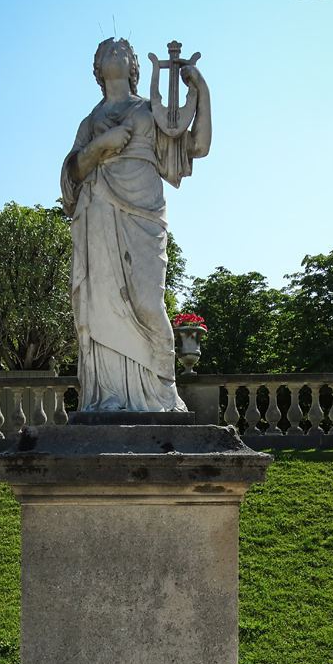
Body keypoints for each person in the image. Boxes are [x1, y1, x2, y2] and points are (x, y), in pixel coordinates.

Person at [61, 38, 211, 412]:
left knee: (147, 302)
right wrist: (100, 146)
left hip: (143, 210)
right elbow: (71, 174)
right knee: (103, 303)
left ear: (133, 66)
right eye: (105, 50)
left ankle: (163, 392)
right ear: (97, 68)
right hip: (98, 210)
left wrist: (202, 92)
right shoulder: (89, 122)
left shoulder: (151, 110)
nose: (114, 51)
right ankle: (109, 395)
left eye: (122, 49)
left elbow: (198, 145)